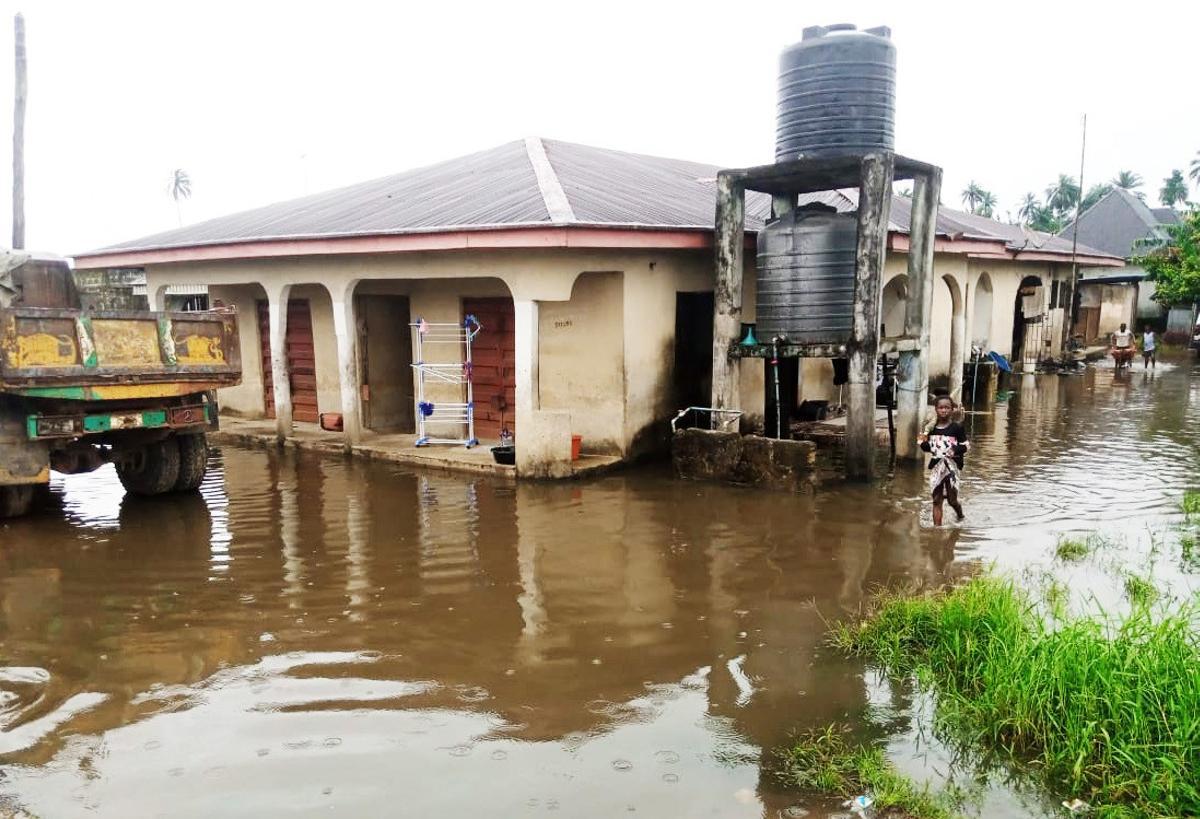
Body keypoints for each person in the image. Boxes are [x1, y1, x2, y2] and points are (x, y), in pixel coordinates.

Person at [918, 395, 969, 526]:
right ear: (936, 409)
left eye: (947, 407)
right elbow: (923, 445)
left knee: (952, 501)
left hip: (952, 467)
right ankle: (937, 531)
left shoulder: (956, 428)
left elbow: (966, 446)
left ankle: (960, 514)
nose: (944, 410)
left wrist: (954, 450)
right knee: (936, 500)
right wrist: (924, 439)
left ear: (952, 410)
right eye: (941, 407)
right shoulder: (930, 428)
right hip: (937, 466)